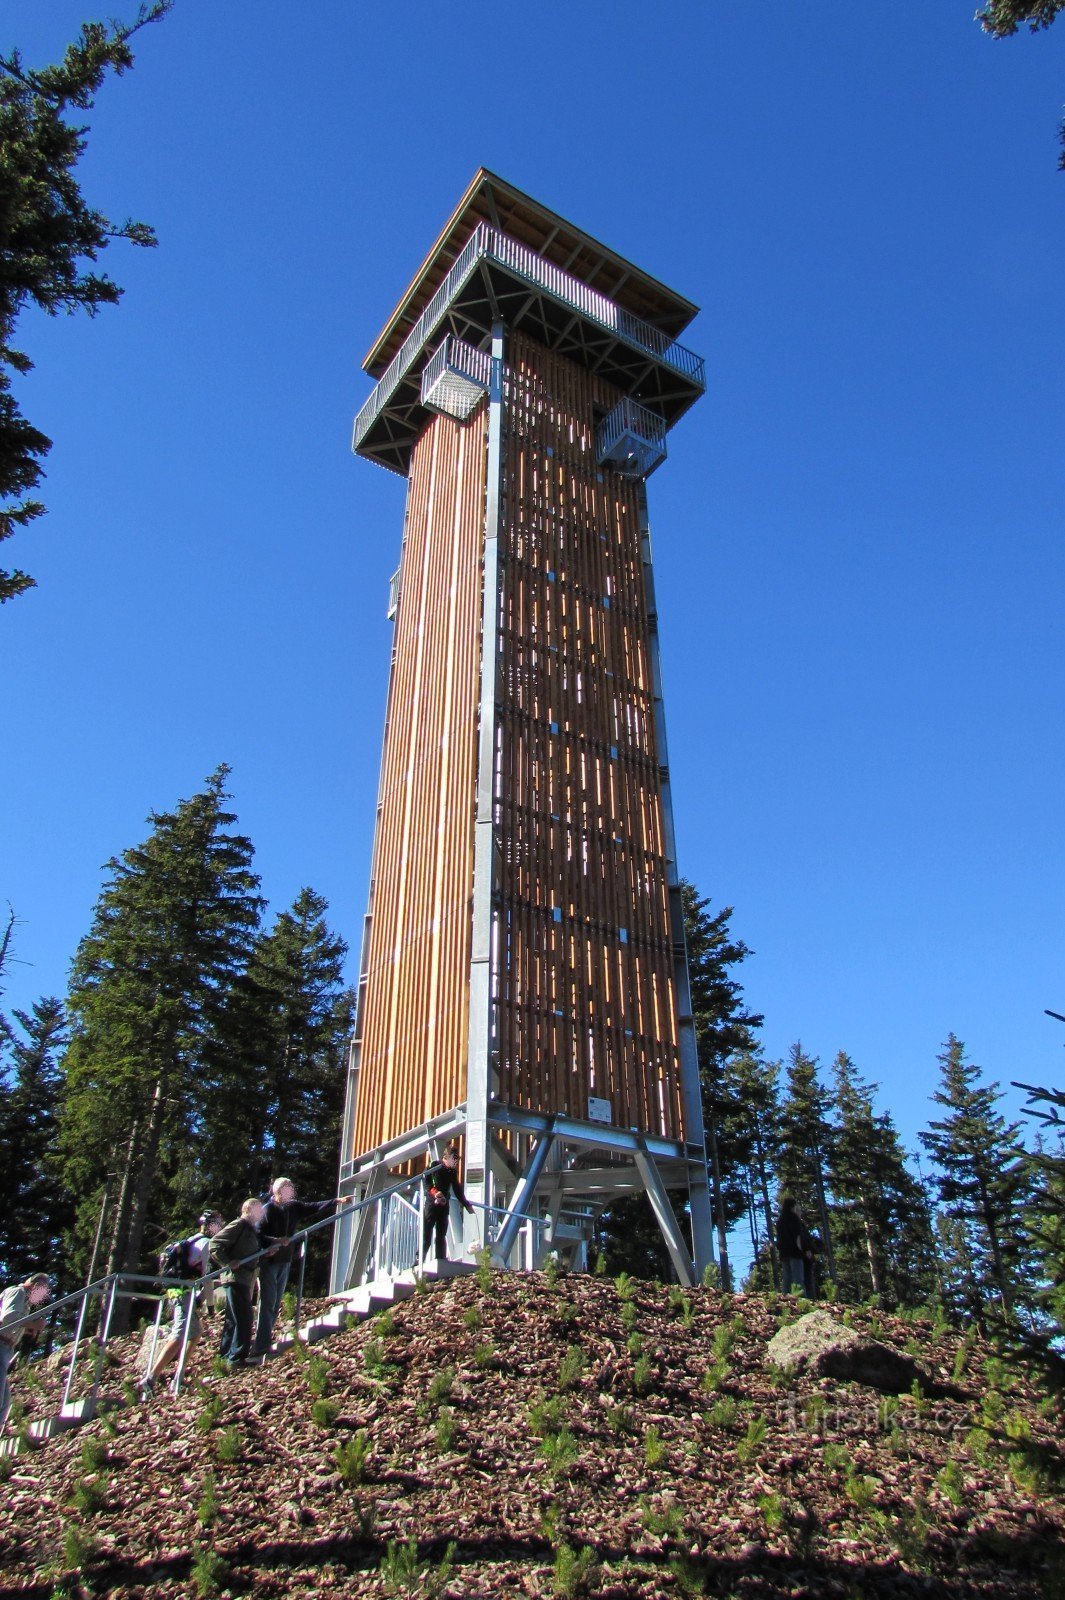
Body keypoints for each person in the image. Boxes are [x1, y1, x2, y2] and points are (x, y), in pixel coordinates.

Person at [253, 1178, 344, 1358]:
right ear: (277, 1192)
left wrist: (336, 1201)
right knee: (268, 1302)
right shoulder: (268, 1210)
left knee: (276, 1300)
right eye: (287, 1189)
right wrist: (274, 1243)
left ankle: (265, 1340)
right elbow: (257, 1233)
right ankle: (260, 1344)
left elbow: (312, 1207)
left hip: (285, 1259)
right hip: (269, 1261)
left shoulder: (293, 1207)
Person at [140, 1211, 223, 1399]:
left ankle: (178, 1377)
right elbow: (207, 1279)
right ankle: (150, 1378)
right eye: (218, 1224)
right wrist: (210, 1307)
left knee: (194, 1333)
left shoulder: (192, 1240)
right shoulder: (206, 1245)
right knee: (179, 1335)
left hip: (176, 1293)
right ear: (210, 1226)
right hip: (183, 1295)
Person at [211, 1198, 266, 1369]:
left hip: (242, 1278)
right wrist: (227, 1263)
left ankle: (226, 1356)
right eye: (258, 1210)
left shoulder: (250, 1230)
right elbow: (215, 1244)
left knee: (233, 1319)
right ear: (248, 1210)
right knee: (243, 1317)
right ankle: (236, 1358)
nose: (261, 1213)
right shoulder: (239, 1225)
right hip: (235, 1279)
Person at [0, 1272, 51, 1430]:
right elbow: (8, 1318)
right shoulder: (19, 1292)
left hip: (5, 1348)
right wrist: (33, 1324)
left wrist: (24, 1329)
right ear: (35, 1286)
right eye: (42, 1291)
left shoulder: (23, 1299)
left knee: (5, 1402)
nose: (42, 1295)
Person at [421, 1142, 474, 1265]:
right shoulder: (434, 1165)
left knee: (441, 1233)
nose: (456, 1162)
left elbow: (457, 1190)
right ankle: (419, 1260)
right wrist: (435, 1193)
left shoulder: (452, 1172)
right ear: (446, 1157)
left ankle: (441, 1259)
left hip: (444, 1205)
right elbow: (426, 1183)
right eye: (455, 1158)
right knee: (427, 1234)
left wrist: (466, 1204)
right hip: (432, 1204)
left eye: (458, 1159)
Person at [775, 1197, 810, 1294]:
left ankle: (785, 1299)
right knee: (798, 1278)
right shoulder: (794, 1219)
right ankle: (802, 1300)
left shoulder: (780, 1220)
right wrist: (803, 1250)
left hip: (783, 1253)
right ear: (792, 1207)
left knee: (787, 1278)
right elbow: (797, 1236)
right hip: (794, 1252)